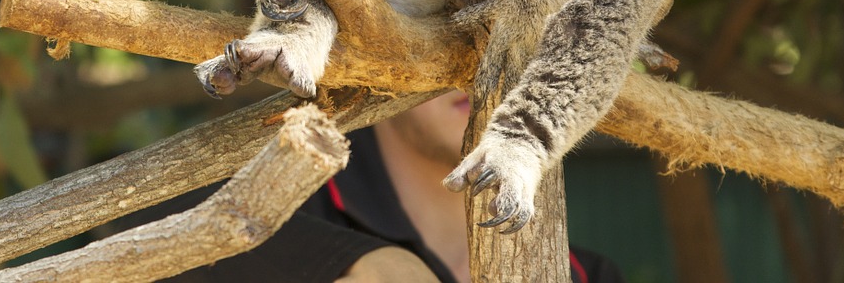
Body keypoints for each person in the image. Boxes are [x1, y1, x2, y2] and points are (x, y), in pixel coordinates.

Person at [153, 91, 625, 282]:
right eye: (439, 18)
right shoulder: (291, 214)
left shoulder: (587, 275)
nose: (478, 58)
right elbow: (144, 221)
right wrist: (361, 263)